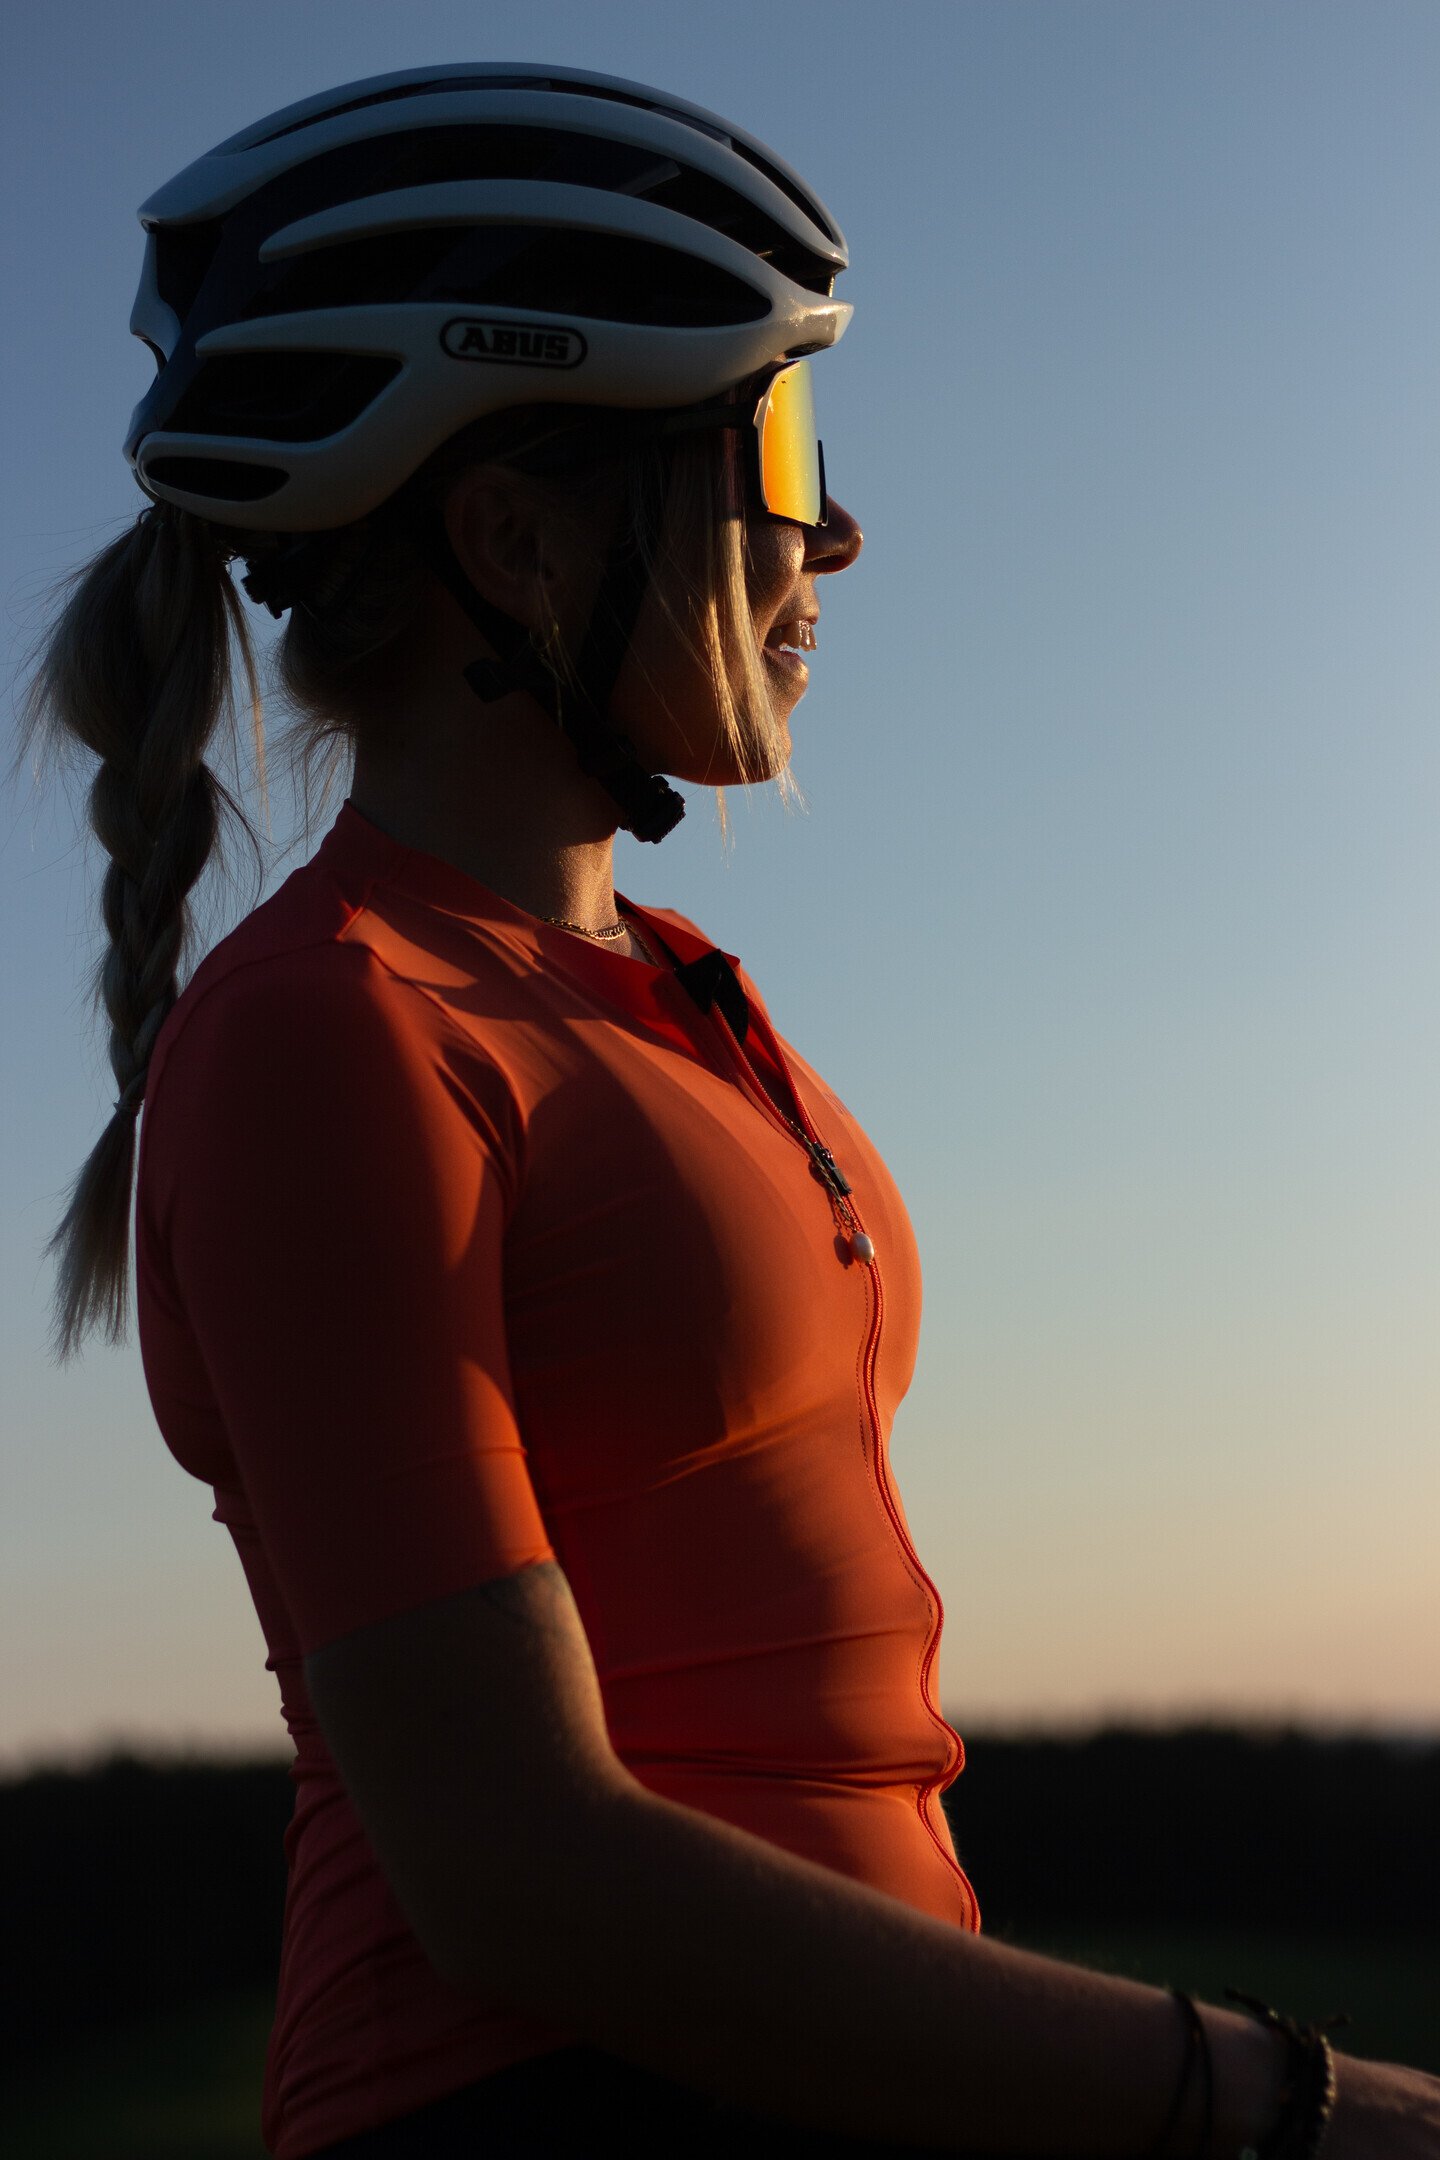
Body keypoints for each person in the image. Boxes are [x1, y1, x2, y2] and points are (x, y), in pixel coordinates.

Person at [20, 61, 1437, 2160]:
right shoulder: (330, 1029)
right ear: (513, 540)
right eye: (772, 446)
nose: (833, 531)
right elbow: (516, 1875)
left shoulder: (676, 996)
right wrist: (1272, 2102)